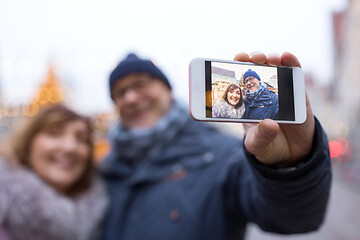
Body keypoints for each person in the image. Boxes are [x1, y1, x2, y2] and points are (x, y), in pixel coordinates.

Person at [101, 52, 331, 240]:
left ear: (168, 90)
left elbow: (295, 219)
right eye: (120, 92)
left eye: (140, 84)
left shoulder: (224, 154)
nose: (130, 97)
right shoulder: (104, 169)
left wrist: (290, 167)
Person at [0, 105, 108, 240]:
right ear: (28, 143)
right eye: (55, 134)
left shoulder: (106, 216)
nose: (70, 147)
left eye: (81, 139)